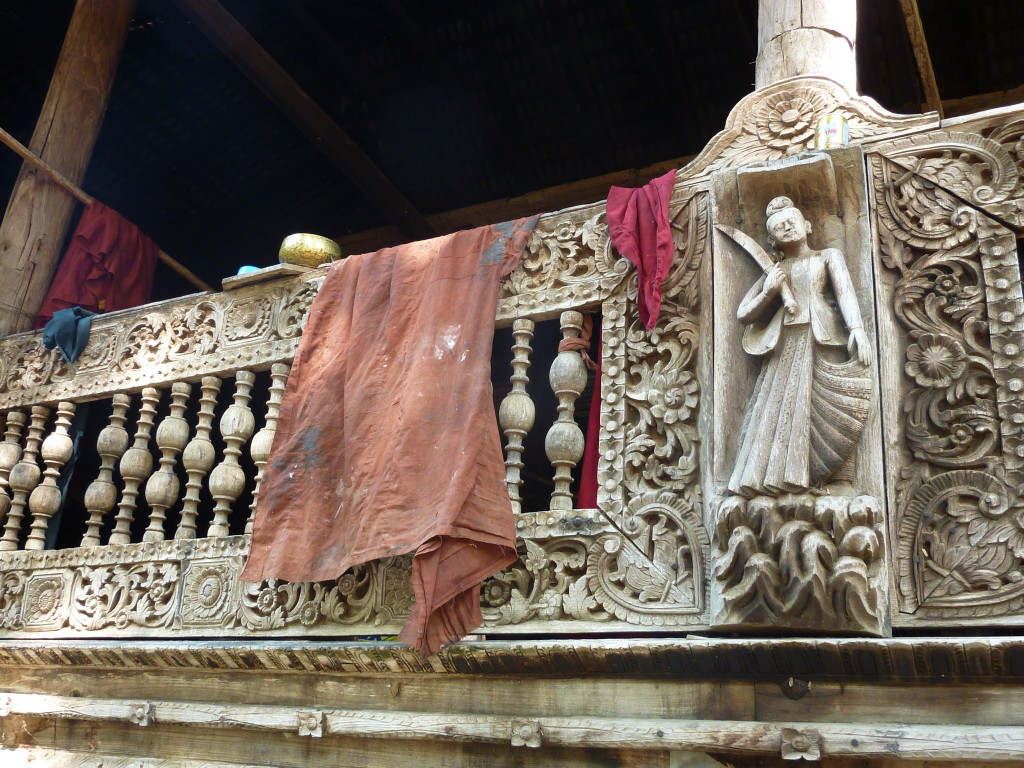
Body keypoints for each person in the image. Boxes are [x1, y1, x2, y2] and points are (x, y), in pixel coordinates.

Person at [727, 196, 871, 497]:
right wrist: (769, 291)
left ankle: (836, 479)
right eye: (779, 227)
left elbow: (845, 292)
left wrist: (857, 329)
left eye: (792, 221)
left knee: (832, 402)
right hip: (785, 345)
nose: (788, 227)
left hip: (823, 337)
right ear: (772, 240)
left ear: (807, 225)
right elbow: (744, 314)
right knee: (781, 409)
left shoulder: (827, 256)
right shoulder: (776, 269)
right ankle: (779, 477)